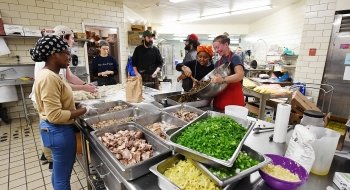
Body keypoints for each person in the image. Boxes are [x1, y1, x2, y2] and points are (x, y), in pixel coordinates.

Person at [29, 25, 97, 170]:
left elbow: (68, 77)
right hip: (55, 126)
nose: (69, 56)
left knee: (60, 169)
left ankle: (55, 158)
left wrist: (85, 85)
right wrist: (84, 109)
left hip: (55, 124)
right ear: (55, 54)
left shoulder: (55, 63)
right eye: (71, 38)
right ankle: (51, 157)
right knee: (60, 170)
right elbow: (54, 114)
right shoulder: (48, 72)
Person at [211, 35, 245, 111]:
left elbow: (240, 75)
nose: (216, 50)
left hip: (233, 99)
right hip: (220, 98)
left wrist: (222, 79)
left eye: (218, 47)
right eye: (215, 48)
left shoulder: (235, 57)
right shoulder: (217, 63)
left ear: (226, 44)